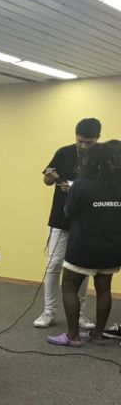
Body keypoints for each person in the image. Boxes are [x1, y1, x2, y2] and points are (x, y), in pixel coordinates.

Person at [47, 141, 121, 347]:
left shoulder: (80, 185)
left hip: (83, 247)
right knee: (104, 289)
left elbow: (68, 212)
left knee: (69, 287)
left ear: (93, 161)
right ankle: (97, 335)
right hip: (112, 248)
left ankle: (73, 336)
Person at [34, 118, 101, 329]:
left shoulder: (102, 158)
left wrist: (75, 187)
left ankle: (79, 314)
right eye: (80, 141)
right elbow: (46, 180)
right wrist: (50, 177)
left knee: (82, 268)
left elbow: (102, 187)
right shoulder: (63, 152)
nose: (84, 146)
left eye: (89, 142)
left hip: (86, 220)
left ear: (98, 139)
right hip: (59, 218)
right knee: (54, 265)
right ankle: (49, 312)